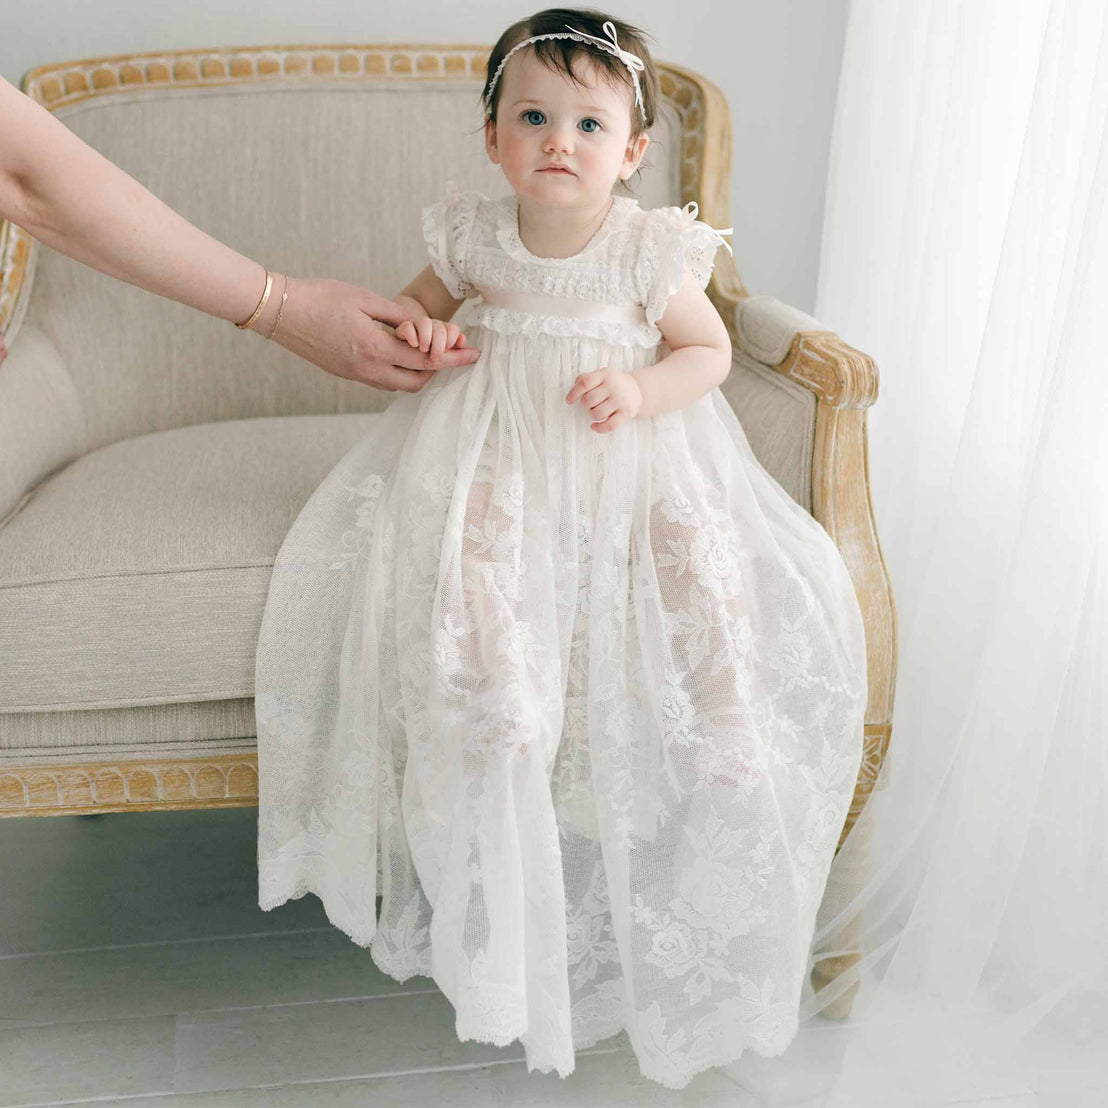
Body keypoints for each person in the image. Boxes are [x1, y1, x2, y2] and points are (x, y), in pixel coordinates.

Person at [252, 7, 869, 1092]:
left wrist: (639, 388)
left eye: (590, 123)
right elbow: (408, 312)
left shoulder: (646, 246)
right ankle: (499, 734)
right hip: (498, 447)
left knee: (694, 562)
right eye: (532, 116)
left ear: (632, 151)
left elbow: (708, 350)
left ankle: (722, 721)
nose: (559, 141)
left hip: (626, 455)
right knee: (477, 568)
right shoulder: (473, 236)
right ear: (493, 137)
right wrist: (428, 333)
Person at [0, 73, 481, 388]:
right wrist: (419, 325)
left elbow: (29, 178)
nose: (559, 146)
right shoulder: (474, 235)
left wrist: (280, 306)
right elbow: (28, 180)